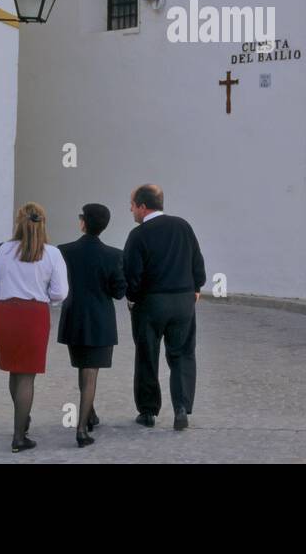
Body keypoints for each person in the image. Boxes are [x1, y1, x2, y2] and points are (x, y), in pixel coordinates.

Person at [0, 202, 68, 453]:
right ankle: (19, 435)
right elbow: (60, 292)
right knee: (27, 375)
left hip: (6, 313)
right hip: (34, 314)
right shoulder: (51, 253)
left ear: (17, 222)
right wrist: (45, 298)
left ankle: (22, 418)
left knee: (14, 370)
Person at [122, 184, 206, 431]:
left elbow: (132, 273)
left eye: (132, 205)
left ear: (142, 206)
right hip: (182, 301)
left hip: (151, 303)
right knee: (182, 354)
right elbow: (196, 261)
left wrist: (132, 297)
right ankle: (181, 407)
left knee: (147, 354)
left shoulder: (138, 235)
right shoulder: (183, 226)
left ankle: (148, 411)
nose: (131, 210)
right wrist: (196, 287)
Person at [57, 203, 127, 448]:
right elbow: (119, 292)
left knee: (82, 368)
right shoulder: (114, 255)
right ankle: (81, 428)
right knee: (90, 374)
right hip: (99, 320)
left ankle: (90, 415)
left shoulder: (64, 251)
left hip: (73, 317)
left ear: (83, 223)